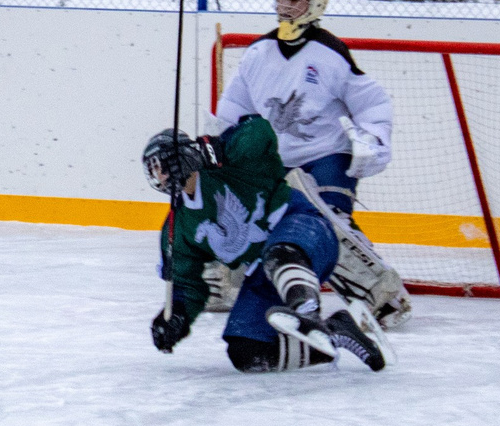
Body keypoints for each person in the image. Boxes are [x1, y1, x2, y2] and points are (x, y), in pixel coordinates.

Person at [211, 0, 408, 321]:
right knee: (229, 206)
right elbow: (237, 105)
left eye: (296, 2)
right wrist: (223, 143)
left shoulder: (330, 54)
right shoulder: (259, 53)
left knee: (327, 223)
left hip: (325, 154)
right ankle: (222, 281)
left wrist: (373, 139)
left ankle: (382, 293)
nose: (286, 8)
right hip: (275, 159)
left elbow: (373, 103)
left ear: (315, 5)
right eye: (282, 0)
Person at [144, 116, 385, 373]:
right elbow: (186, 285)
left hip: (305, 231)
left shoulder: (231, 165)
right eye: (153, 169)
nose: (159, 174)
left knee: (279, 254)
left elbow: (258, 131)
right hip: (263, 273)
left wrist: (209, 151)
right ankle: (334, 333)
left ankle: (307, 311)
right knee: (246, 350)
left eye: (163, 164)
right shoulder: (177, 227)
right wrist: (176, 316)